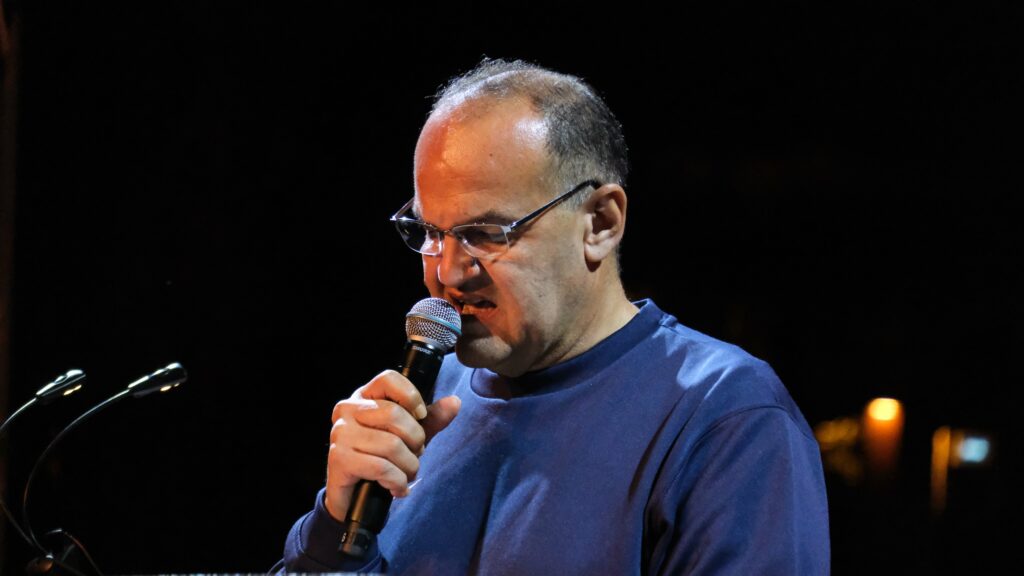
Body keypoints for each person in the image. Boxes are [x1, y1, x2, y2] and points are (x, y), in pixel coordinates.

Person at [276, 59, 830, 574]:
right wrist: (335, 526)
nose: (447, 272)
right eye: (430, 233)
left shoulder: (725, 416)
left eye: (485, 233)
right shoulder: (425, 404)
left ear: (601, 222)